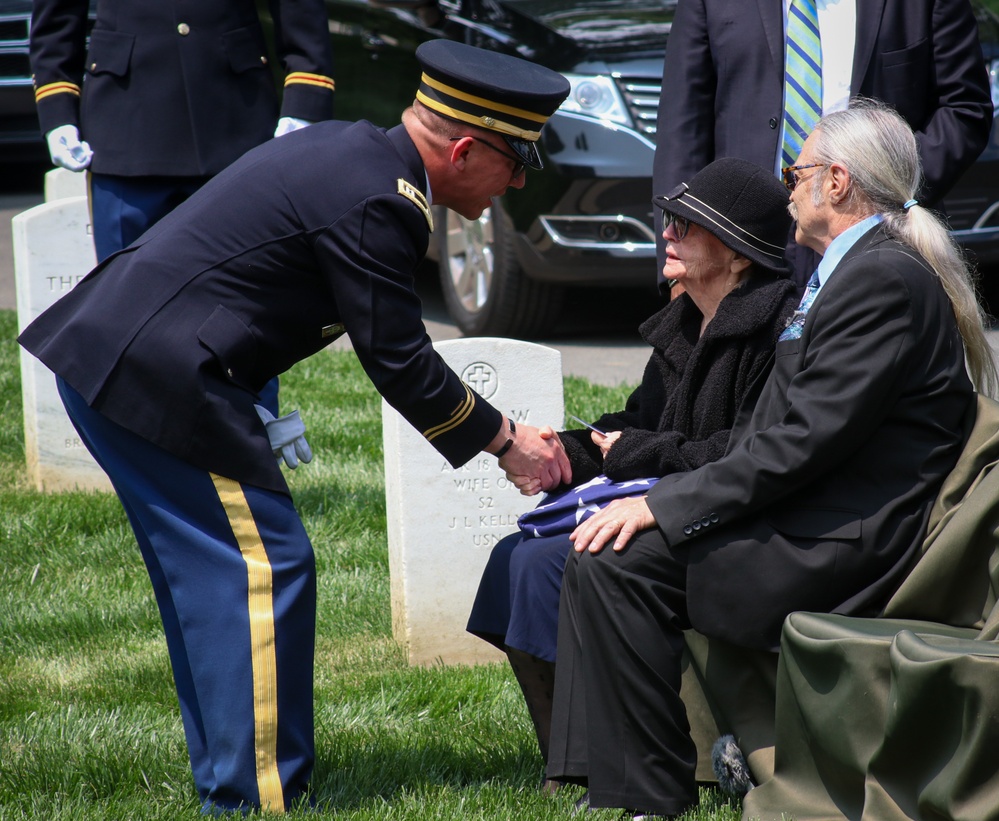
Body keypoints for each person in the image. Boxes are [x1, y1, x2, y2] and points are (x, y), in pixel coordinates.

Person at [18, 39, 573, 814]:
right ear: (463, 147)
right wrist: (507, 441)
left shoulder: (353, 153)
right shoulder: (382, 199)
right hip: (159, 376)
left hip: (130, 359)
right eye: (515, 161)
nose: (516, 179)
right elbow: (400, 360)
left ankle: (235, 777)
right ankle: (256, 794)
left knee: (216, 577)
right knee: (262, 569)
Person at [543, 99, 999, 818]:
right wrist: (662, 485)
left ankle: (649, 797)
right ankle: (621, 782)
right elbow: (776, 434)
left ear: (837, 183)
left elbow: (799, 444)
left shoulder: (881, 278)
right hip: (813, 511)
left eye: (797, 172)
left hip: (844, 539)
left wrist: (660, 502)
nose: (788, 186)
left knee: (617, 563)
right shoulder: (851, 272)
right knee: (604, 554)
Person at [465, 157, 798, 787]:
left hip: (731, 516)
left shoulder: (775, 330)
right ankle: (567, 753)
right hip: (672, 500)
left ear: (737, 254)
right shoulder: (687, 319)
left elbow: (745, 452)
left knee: (546, 561)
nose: (666, 233)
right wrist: (561, 453)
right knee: (514, 554)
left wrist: (631, 452)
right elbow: (637, 423)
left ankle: (580, 767)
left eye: (685, 224)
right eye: (669, 219)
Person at [652, 0, 994, 287]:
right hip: (739, 246)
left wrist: (880, 193)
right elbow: (682, 130)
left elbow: (965, 109)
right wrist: (679, 269)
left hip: (875, 242)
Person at [29, 0, 335, 262]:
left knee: (248, 298)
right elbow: (58, 19)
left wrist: (304, 103)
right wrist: (58, 108)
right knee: (129, 304)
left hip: (235, 117)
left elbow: (300, 10)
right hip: (126, 125)